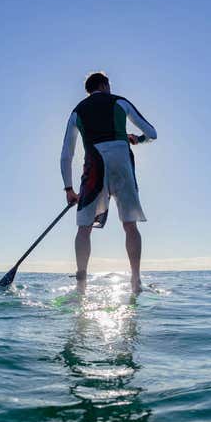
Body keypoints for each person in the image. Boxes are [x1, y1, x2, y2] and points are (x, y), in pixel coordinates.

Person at [60, 72, 157, 293]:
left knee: (84, 228)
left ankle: (81, 285)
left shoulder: (77, 111)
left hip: (94, 166)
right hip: (122, 162)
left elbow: (67, 154)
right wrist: (138, 139)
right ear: (104, 85)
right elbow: (152, 133)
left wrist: (69, 189)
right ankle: (136, 281)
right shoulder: (119, 101)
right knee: (129, 225)